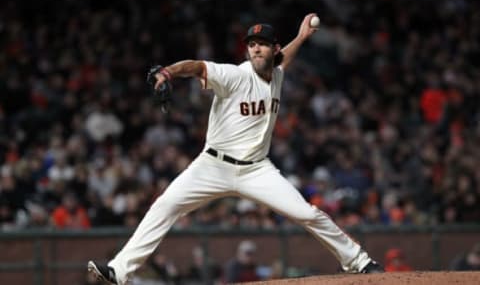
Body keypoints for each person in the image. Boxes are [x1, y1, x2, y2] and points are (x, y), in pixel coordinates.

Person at [88, 14, 384, 285]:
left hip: (256, 169)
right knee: (165, 205)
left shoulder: (277, 73)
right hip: (212, 166)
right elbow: (197, 66)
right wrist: (167, 72)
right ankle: (119, 270)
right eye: (252, 44)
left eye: (263, 45)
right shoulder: (235, 75)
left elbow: (284, 60)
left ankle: (359, 261)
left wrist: (302, 38)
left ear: (274, 49)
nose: (256, 49)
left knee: (307, 214)